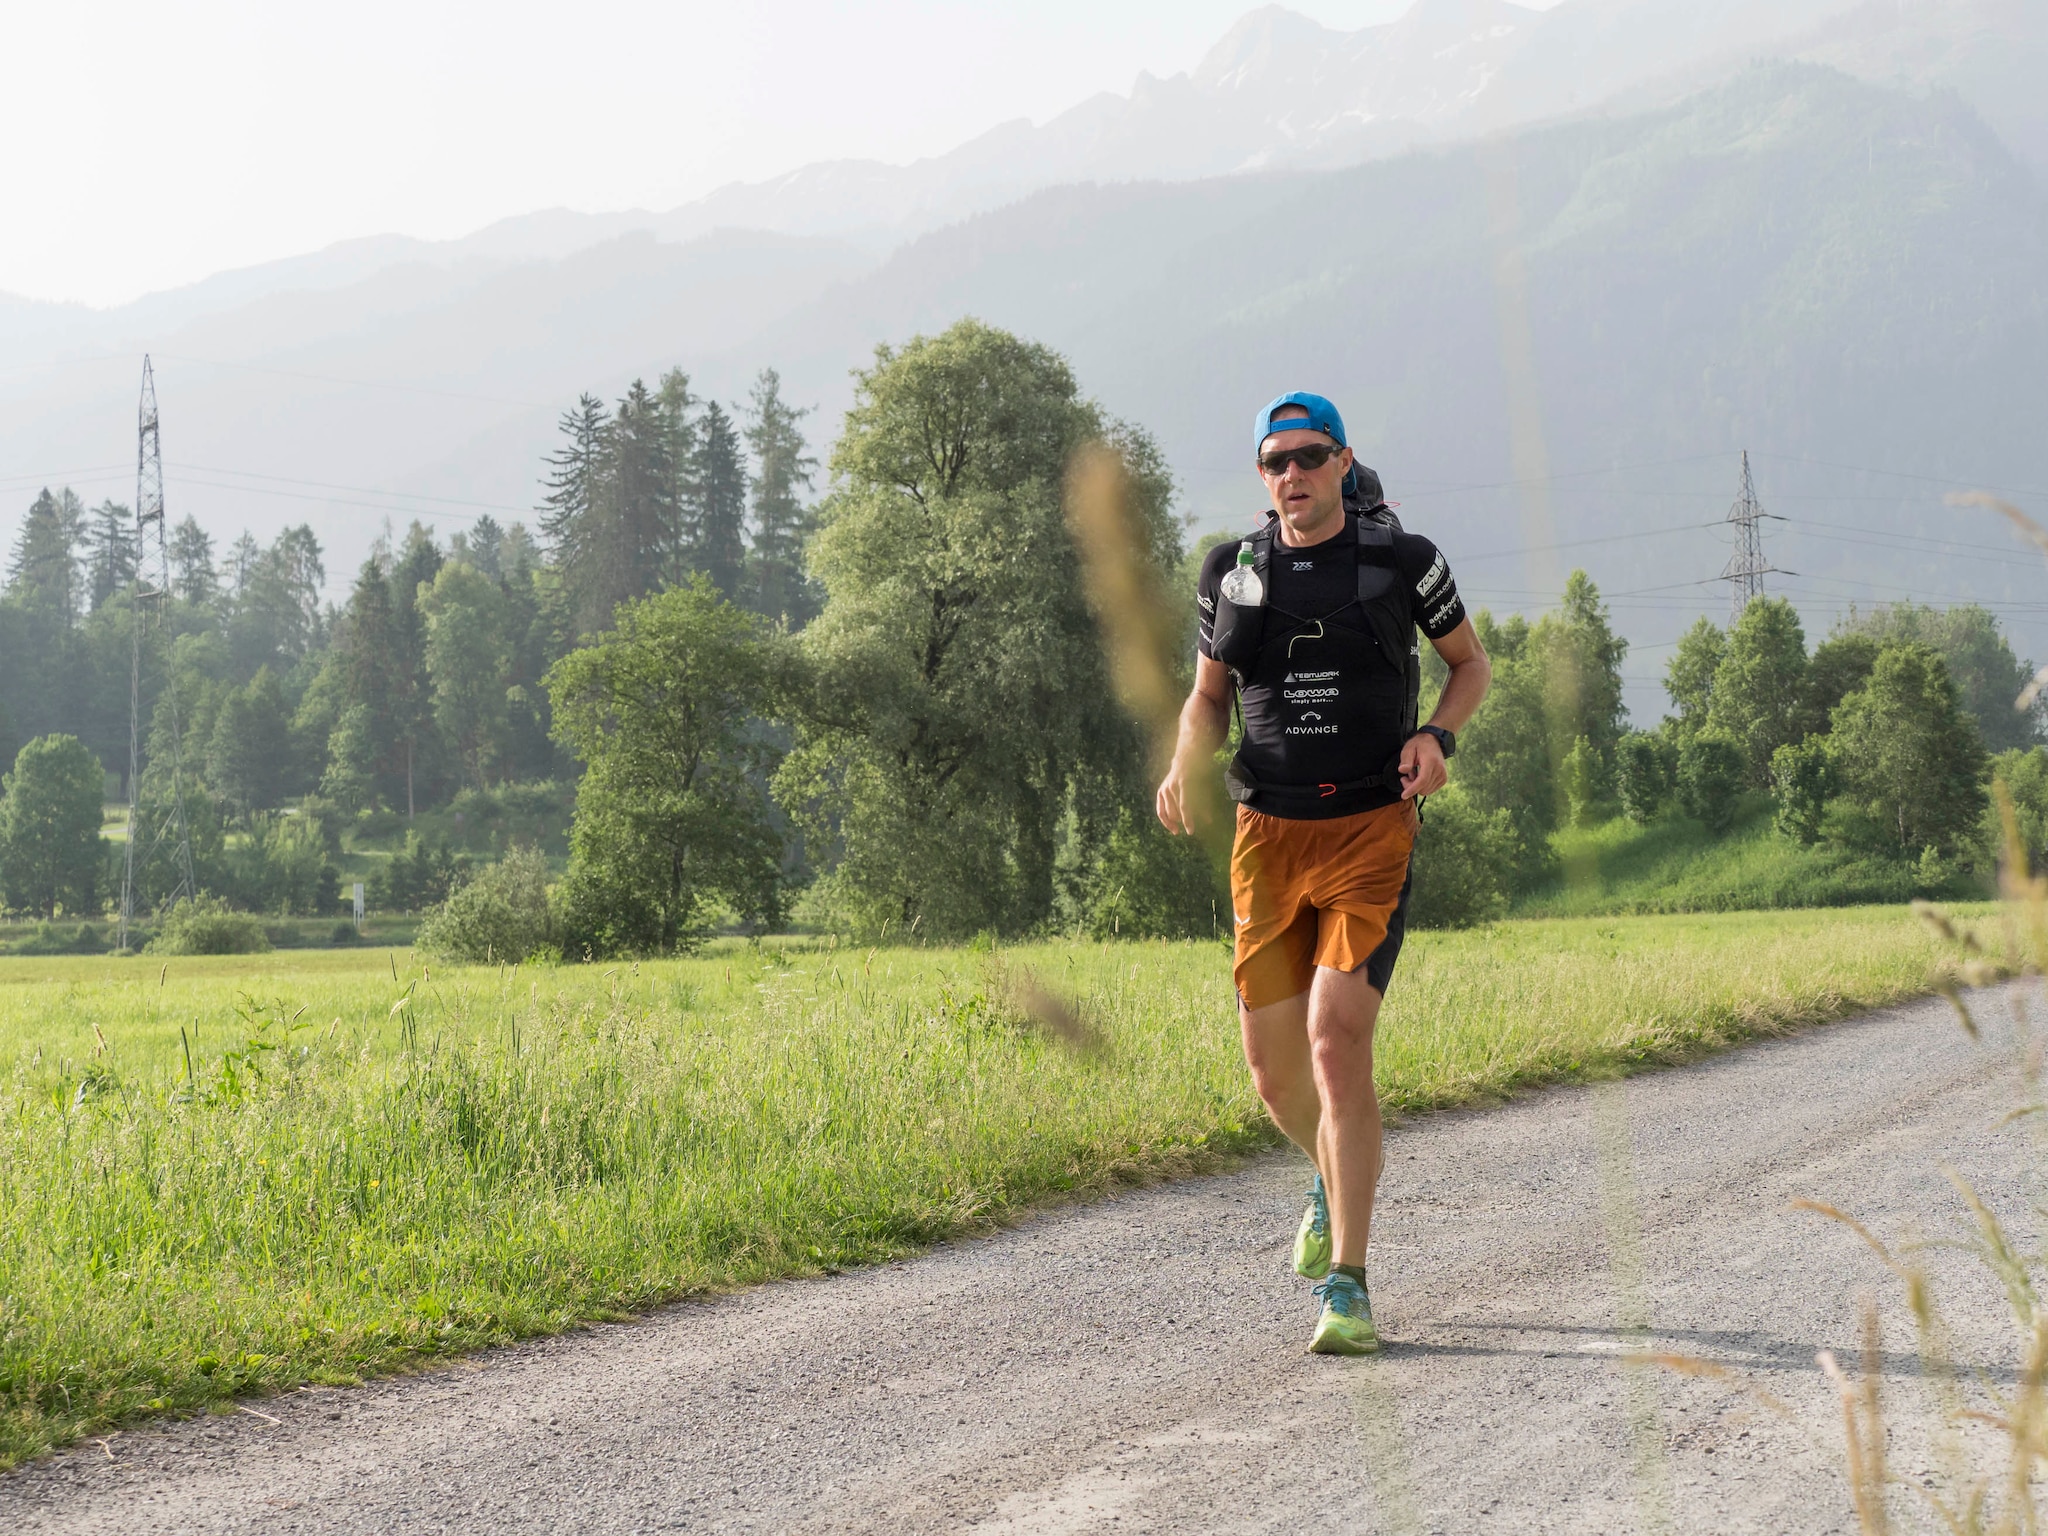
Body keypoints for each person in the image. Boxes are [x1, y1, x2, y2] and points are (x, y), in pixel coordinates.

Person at [1155, 392, 1491, 1354]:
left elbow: (1470, 666)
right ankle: (1327, 1174)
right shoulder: (1236, 572)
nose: (1289, 475)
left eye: (1306, 457)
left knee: (1335, 1039)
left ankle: (1348, 1284)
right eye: (1273, 462)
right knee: (1272, 1072)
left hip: (1370, 830)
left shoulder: (1404, 563)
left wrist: (1438, 735)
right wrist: (1185, 761)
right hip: (1268, 835)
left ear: (1344, 461)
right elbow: (1207, 697)